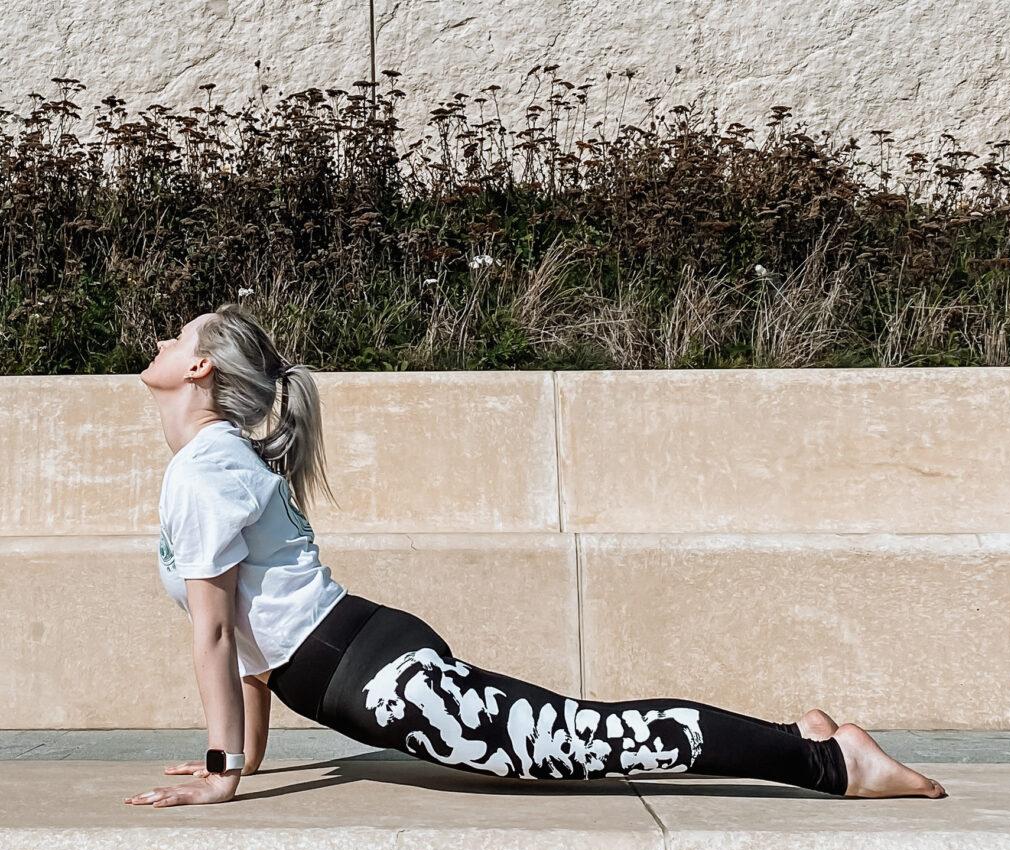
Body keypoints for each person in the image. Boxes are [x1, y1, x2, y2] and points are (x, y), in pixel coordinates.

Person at [126, 303, 948, 807]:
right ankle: (794, 735)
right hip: (365, 658)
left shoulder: (206, 469)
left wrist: (221, 770)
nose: (161, 338)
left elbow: (214, 635)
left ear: (198, 368)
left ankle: (832, 762)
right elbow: (248, 636)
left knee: (589, 741)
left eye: (178, 335)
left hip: (378, 678)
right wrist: (248, 755)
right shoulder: (215, 462)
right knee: (582, 735)